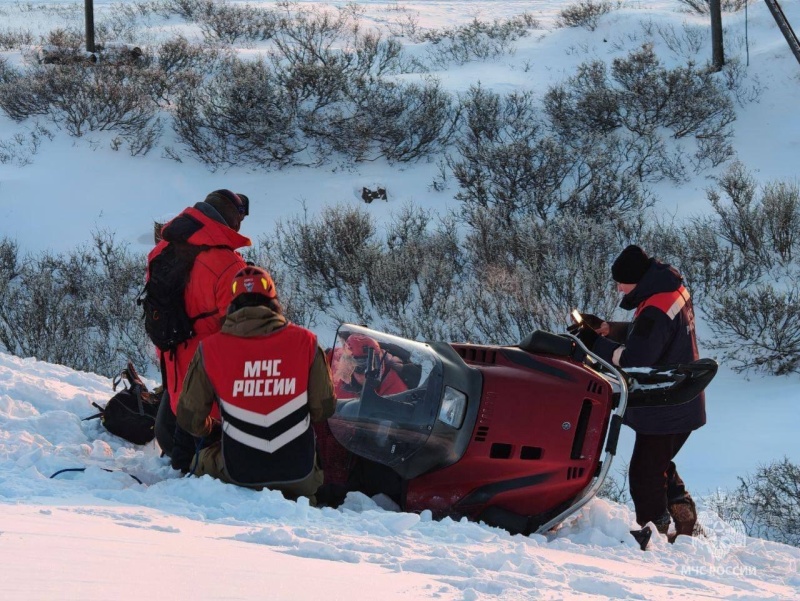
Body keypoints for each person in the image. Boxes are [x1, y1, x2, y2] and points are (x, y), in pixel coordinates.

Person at [573, 245, 705, 540]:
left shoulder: (656, 308)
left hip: (667, 402)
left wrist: (593, 344)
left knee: (645, 474)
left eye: (622, 282)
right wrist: (609, 329)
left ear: (638, 279)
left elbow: (635, 358)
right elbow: (651, 335)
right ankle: (684, 521)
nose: (619, 288)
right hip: (679, 396)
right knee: (655, 464)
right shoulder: (667, 289)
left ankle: (654, 534)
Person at [176, 266, 336, 502]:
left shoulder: (209, 349)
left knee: (199, 461)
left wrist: (214, 428)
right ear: (273, 301)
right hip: (299, 476)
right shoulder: (307, 342)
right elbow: (324, 409)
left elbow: (189, 418)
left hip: (237, 472)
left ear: (231, 304)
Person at [150, 189, 251, 471]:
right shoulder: (228, 265)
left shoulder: (161, 250)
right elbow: (245, 332)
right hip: (207, 390)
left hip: (171, 360)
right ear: (234, 223)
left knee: (178, 410)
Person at [332, 334, 409, 401]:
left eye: (374, 364)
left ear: (381, 361)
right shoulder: (337, 375)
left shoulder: (396, 392)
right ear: (349, 368)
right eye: (361, 367)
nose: (368, 372)